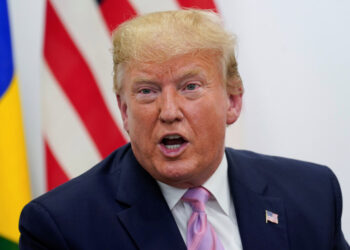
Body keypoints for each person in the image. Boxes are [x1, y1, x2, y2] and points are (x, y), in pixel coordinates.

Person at [19, 9, 349, 250]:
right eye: (147, 91)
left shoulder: (313, 195)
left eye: (190, 86)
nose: (169, 112)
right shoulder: (61, 228)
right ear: (124, 111)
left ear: (232, 102)